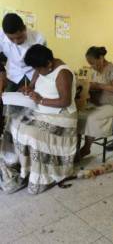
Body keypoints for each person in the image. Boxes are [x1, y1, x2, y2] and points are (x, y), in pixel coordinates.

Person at [0, 44, 77, 194]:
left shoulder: (63, 73)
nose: (36, 72)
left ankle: (42, 177)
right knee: (13, 124)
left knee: (31, 135)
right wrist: (27, 89)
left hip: (61, 117)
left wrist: (40, 100)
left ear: (49, 63)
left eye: (38, 69)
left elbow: (65, 101)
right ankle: (21, 168)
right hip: (41, 112)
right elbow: (33, 86)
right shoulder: (42, 67)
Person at [78, 46, 113, 157]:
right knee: (78, 115)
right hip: (97, 103)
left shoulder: (111, 69)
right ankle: (75, 148)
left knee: (92, 117)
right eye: (90, 64)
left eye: (93, 63)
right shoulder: (92, 71)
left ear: (101, 58)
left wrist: (99, 85)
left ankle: (86, 148)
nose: (91, 66)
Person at [0, 13, 46, 92]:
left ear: (24, 28)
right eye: (11, 39)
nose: (16, 41)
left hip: (33, 74)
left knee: (31, 100)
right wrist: (2, 74)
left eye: (19, 37)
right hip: (12, 74)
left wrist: (31, 85)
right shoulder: (1, 36)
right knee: (8, 100)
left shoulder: (39, 38)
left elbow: (40, 66)